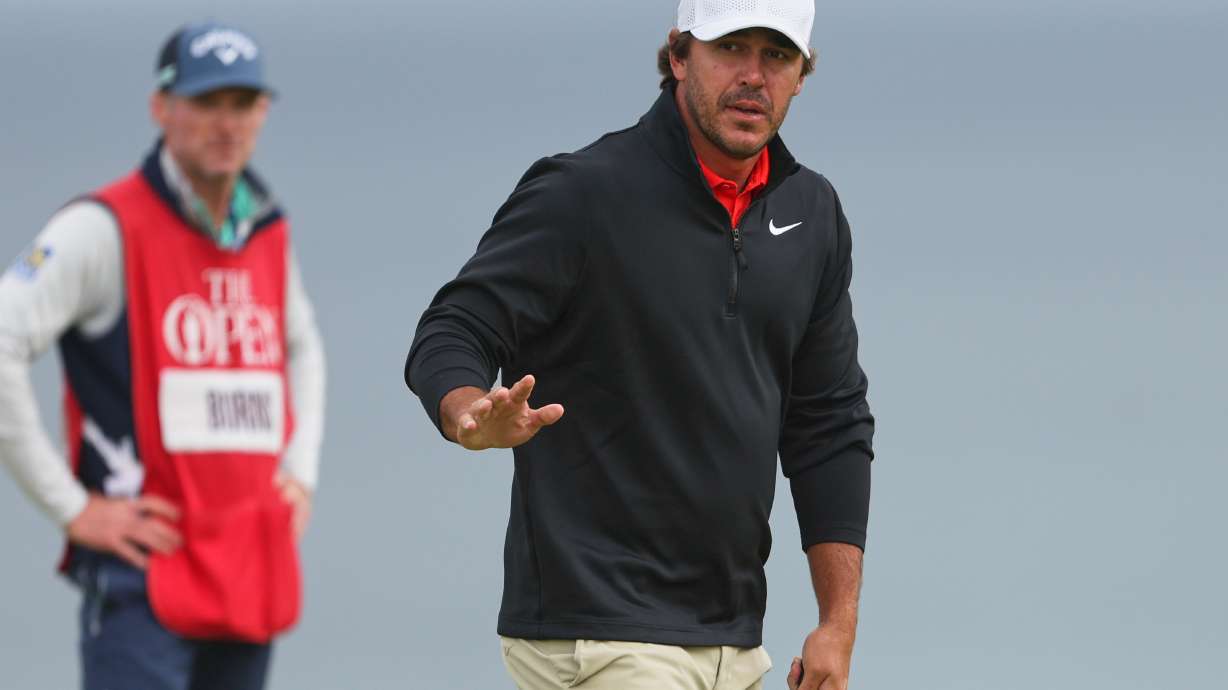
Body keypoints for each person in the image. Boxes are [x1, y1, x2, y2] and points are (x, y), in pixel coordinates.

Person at [405, 0, 873, 687]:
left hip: (733, 639)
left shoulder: (813, 213)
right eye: (730, 48)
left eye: (776, 55)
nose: (753, 75)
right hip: (596, 629)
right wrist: (467, 410)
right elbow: (454, 326)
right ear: (679, 55)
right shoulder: (583, 192)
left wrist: (838, 622)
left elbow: (828, 422)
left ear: (801, 75)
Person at [0, 20, 325, 690]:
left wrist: (300, 470)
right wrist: (71, 508)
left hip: (246, 574)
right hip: (142, 577)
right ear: (161, 107)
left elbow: (302, 342)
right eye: (206, 102)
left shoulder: (265, 226)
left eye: (243, 103)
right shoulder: (102, 228)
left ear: (263, 112)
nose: (226, 124)